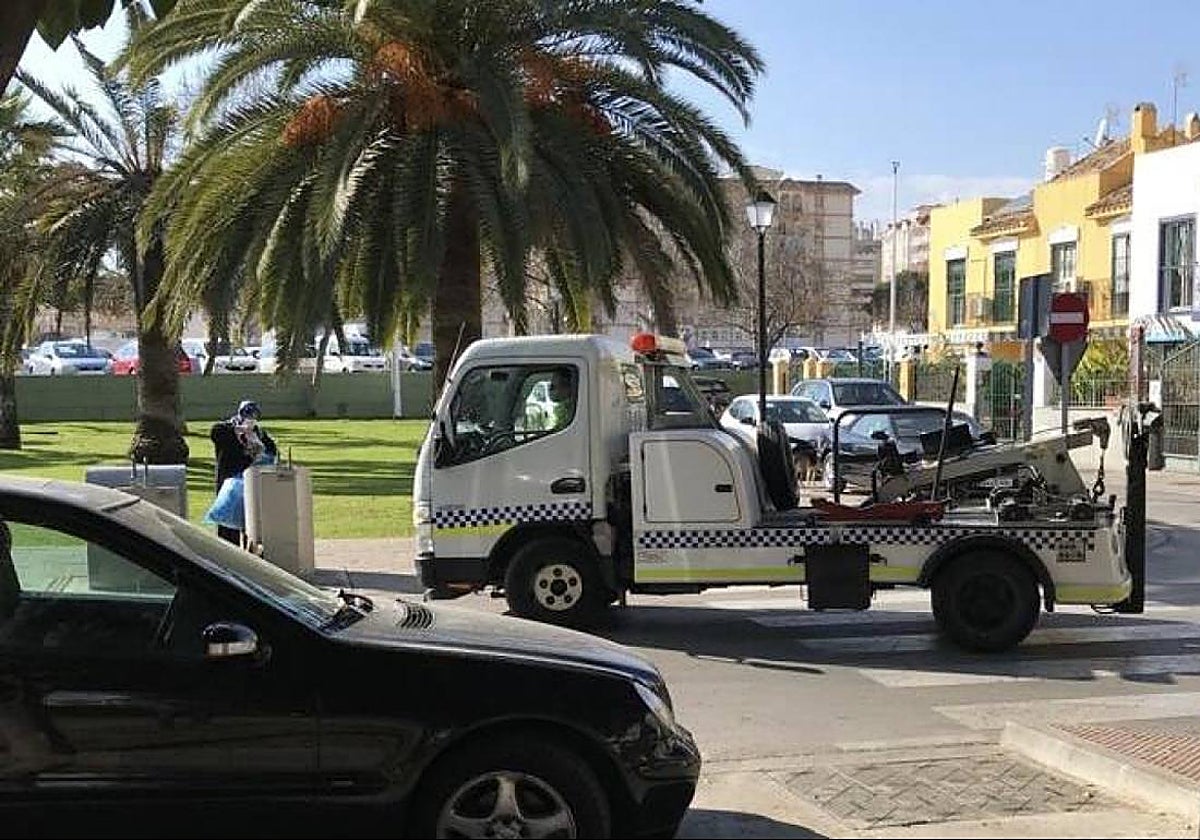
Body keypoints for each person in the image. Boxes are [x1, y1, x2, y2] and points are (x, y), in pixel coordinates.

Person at [209, 400, 278, 545]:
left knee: (251, 524)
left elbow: (271, 451)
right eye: (247, 414)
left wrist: (257, 443)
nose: (250, 418)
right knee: (228, 528)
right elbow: (215, 433)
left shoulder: (259, 433)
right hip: (229, 485)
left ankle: (250, 552)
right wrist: (239, 432)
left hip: (251, 484)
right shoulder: (225, 429)